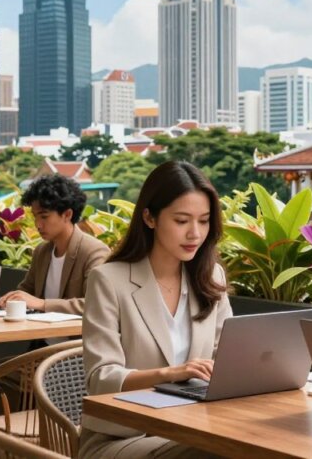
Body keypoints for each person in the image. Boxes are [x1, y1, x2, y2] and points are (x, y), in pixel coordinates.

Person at [80, 161, 232, 459]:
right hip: (122, 436)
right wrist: (169, 374)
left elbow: (227, 358)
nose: (195, 233)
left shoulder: (211, 277)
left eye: (204, 221)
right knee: (219, 452)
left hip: (193, 427)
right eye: (181, 221)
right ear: (149, 217)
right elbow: (100, 378)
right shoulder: (108, 280)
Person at [0, 174, 109, 316]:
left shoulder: (94, 252)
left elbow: (95, 304)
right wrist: (10, 299)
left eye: (44, 216)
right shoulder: (41, 251)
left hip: (76, 331)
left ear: (67, 214)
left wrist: (42, 304)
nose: (38, 224)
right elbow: (26, 291)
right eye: (35, 216)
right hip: (38, 330)